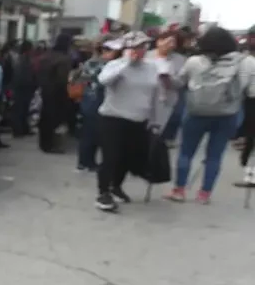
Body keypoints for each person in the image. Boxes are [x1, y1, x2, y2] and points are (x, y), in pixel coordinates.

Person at [166, 27, 255, 204]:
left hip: (195, 113)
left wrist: (166, 75)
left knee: (186, 153)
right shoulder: (247, 63)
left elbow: (178, 83)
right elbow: (252, 92)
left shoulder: (194, 62)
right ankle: (204, 195)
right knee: (215, 156)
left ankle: (179, 190)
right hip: (227, 115)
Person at [94, 32, 160, 212]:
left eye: (143, 46)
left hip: (138, 120)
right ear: (126, 49)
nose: (141, 51)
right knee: (111, 157)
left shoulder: (151, 68)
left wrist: (155, 120)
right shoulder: (115, 65)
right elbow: (103, 80)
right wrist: (125, 63)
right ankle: (103, 192)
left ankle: (116, 186)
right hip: (113, 118)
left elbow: (153, 94)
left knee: (127, 157)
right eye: (136, 47)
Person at [72, 37, 122, 171]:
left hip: (90, 100)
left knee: (90, 133)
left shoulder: (93, 62)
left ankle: (86, 162)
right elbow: (101, 82)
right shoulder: (102, 64)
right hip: (95, 102)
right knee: (91, 134)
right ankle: (86, 162)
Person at [147, 31, 187, 143]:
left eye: (173, 42)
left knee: (157, 132)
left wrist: (168, 79)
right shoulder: (146, 55)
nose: (170, 45)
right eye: (168, 41)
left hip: (165, 100)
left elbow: (181, 82)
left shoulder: (180, 60)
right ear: (159, 41)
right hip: (145, 98)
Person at [37, 34, 74, 154]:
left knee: (45, 117)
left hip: (45, 89)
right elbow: (62, 78)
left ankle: (44, 143)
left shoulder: (46, 55)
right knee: (55, 119)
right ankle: (51, 144)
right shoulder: (64, 58)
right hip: (57, 92)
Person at [11, 40, 37, 137]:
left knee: (25, 109)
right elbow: (21, 75)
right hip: (21, 88)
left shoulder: (26, 59)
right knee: (19, 109)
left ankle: (24, 128)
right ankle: (18, 130)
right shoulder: (22, 59)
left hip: (25, 88)